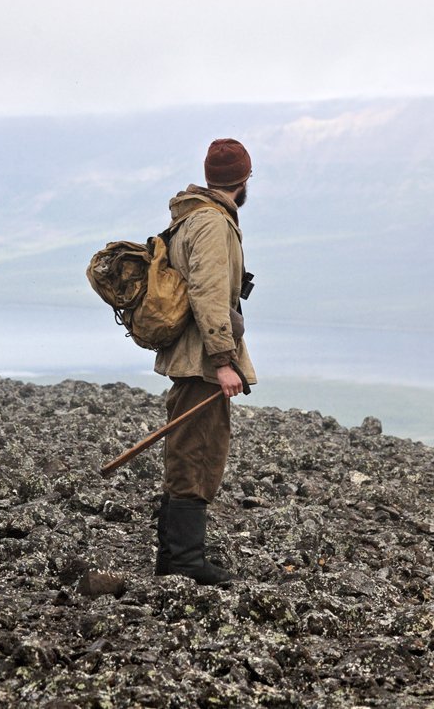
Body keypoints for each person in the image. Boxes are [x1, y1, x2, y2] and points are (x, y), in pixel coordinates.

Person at [152, 138, 258, 585]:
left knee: (187, 452)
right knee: (197, 455)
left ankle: (173, 560)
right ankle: (186, 563)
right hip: (201, 362)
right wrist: (223, 361)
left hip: (193, 358)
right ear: (245, 181)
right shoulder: (213, 224)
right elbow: (210, 296)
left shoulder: (190, 217)